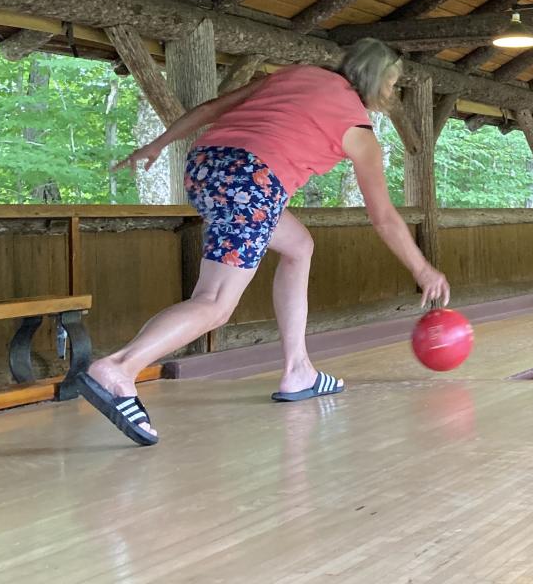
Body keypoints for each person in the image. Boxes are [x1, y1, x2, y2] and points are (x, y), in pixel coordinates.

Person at [76, 39, 450, 446]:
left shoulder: (295, 75)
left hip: (206, 167)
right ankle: (119, 368)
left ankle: (298, 370)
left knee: (299, 247)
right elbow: (383, 216)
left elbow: (208, 111)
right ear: (377, 81)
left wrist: (159, 144)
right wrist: (421, 268)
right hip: (252, 183)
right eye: (392, 84)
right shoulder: (358, 131)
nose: (390, 94)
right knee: (215, 303)